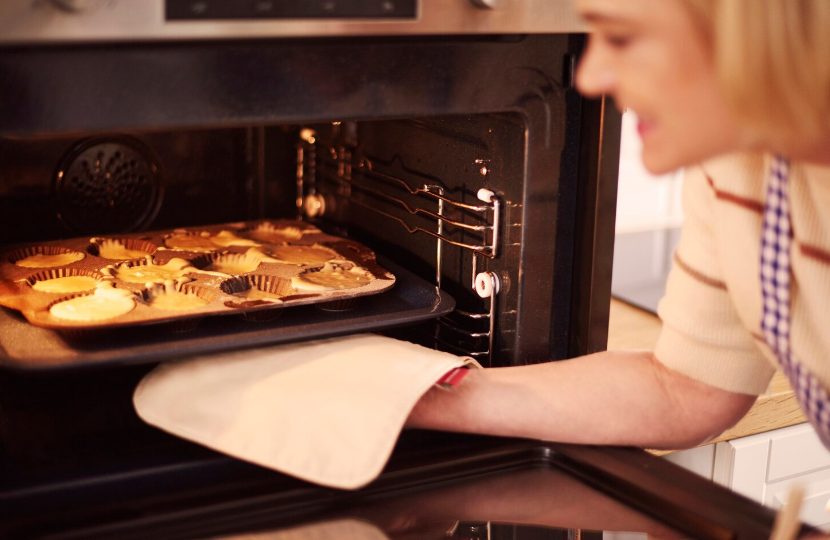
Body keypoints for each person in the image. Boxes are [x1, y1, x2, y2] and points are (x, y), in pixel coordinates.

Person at [406, 0, 830, 451]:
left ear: (759, 29)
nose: (590, 79)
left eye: (622, 38)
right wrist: (409, 398)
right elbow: (684, 390)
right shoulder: (734, 166)